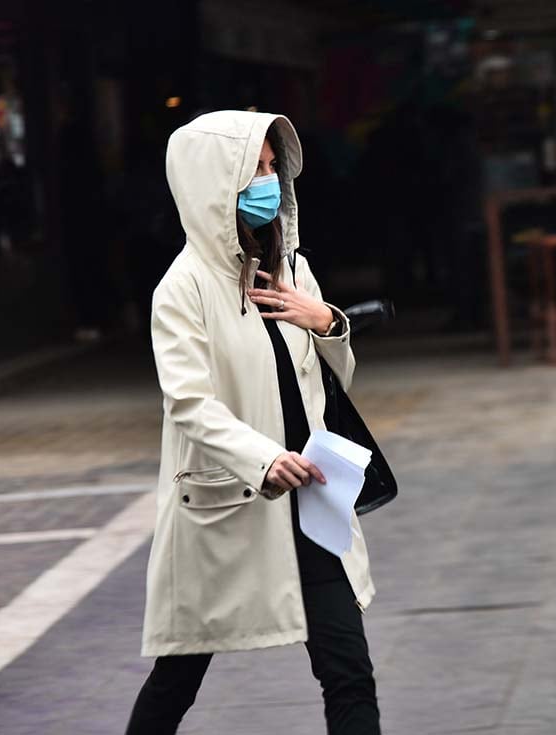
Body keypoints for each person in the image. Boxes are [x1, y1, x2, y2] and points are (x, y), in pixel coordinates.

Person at [126, 111, 380, 734]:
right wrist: (262, 458)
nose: (270, 180)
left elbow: (329, 381)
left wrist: (326, 322)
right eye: (256, 169)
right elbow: (188, 402)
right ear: (215, 180)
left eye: (273, 167)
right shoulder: (181, 288)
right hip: (231, 503)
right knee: (177, 677)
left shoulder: (288, 264)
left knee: (348, 669)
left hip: (312, 497)